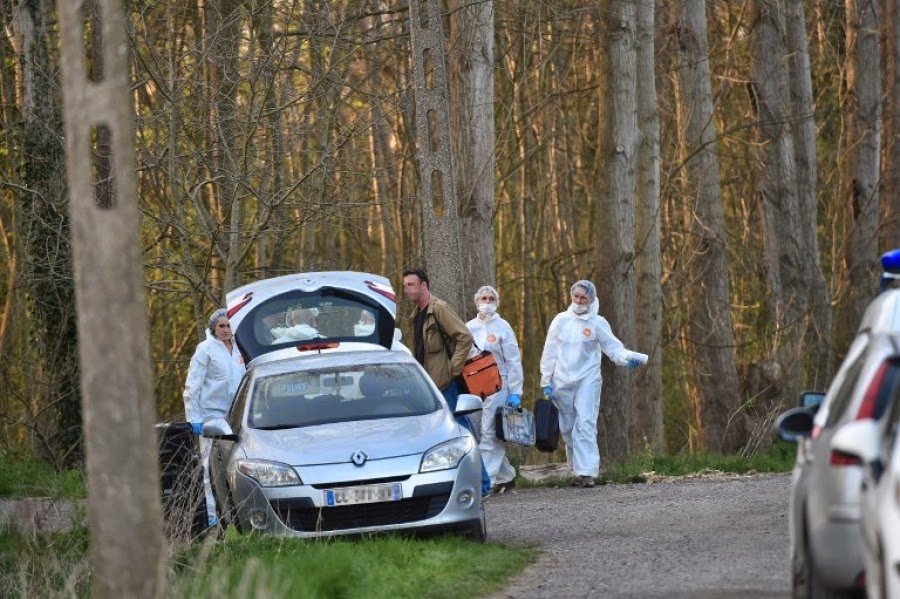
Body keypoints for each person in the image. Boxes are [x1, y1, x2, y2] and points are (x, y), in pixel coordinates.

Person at [539, 280, 646, 488]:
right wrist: (546, 381)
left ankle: (586, 473)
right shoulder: (560, 321)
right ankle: (577, 468)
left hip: (587, 379)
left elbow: (613, 348)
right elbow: (549, 351)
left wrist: (628, 358)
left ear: (591, 299)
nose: (579, 301)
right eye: (576, 296)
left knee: (585, 423)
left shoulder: (597, 323)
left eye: (583, 297)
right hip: (561, 380)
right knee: (568, 427)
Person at [402, 268, 491, 498]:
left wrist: (453, 369)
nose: (407, 289)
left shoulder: (438, 309)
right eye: (405, 285)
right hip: (430, 388)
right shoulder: (417, 314)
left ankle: (482, 485)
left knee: (462, 434)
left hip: (446, 385)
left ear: (424, 285)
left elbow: (464, 336)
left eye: (411, 284)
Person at [182, 309, 246, 526]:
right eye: (221, 326)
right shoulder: (206, 349)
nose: (226, 330)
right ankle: (212, 515)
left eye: (229, 326)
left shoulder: (239, 348)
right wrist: (195, 417)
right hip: (212, 416)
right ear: (213, 328)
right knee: (209, 466)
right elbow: (193, 384)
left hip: (237, 416)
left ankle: (237, 513)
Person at [466, 285, 523, 494]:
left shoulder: (503, 327)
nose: (487, 302)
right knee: (480, 432)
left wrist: (516, 391)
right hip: (476, 386)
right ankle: (506, 477)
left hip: (499, 384)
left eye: (491, 298)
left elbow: (513, 360)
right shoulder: (469, 327)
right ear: (476, 301)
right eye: (483, 298)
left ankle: (485, 482)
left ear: (496, 302)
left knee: (490, 432)